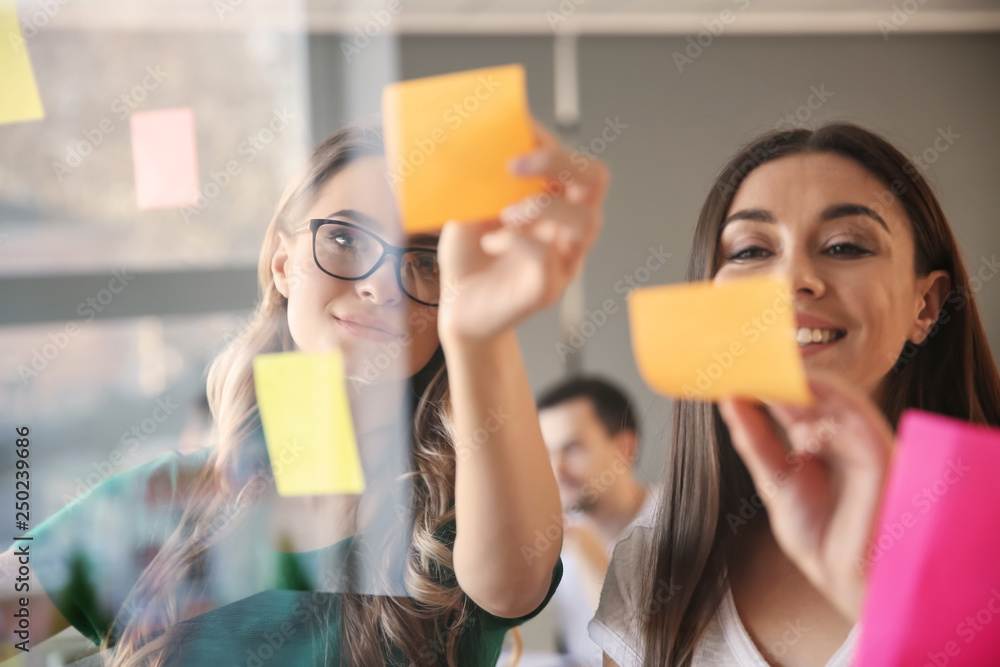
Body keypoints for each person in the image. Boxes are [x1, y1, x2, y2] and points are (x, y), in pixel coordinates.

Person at [0, 120, 609, 666]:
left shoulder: (454, 518)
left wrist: (482, 330)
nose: (380, 286)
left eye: (424, 260)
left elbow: (511, 583)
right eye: (345, 239)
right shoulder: (165, 506)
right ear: (283, 264)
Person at [588, 123, 1000, 666]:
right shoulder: (653, 568)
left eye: (846, 246)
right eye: (752, 250)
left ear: (926, 305)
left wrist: (893, 603)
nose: (791, 279)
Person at [536, 377, 656, 666]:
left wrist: (587, 552)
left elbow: (650, 655)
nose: (557, 468)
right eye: (546, 452)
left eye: (573, 448)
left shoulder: (682, 525)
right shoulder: (555, 534)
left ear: (625, 449)